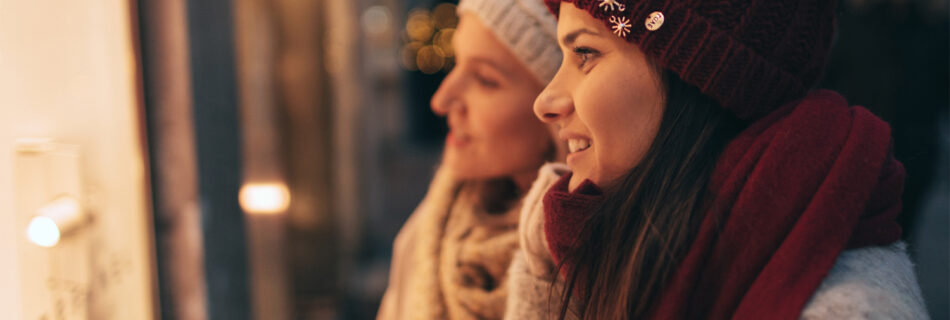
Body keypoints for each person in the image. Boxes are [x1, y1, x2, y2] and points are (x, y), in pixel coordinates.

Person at [507, 0, 929, 319]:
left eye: (585, 53)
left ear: (698, 75)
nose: (545, 102)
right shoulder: (571, 245)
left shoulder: (849, 307)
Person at [376, 0, 562, 319]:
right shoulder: (428, 233)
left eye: (486, 80)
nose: (442, 99)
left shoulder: (590, 266)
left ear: (555, 111)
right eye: (457, 63)